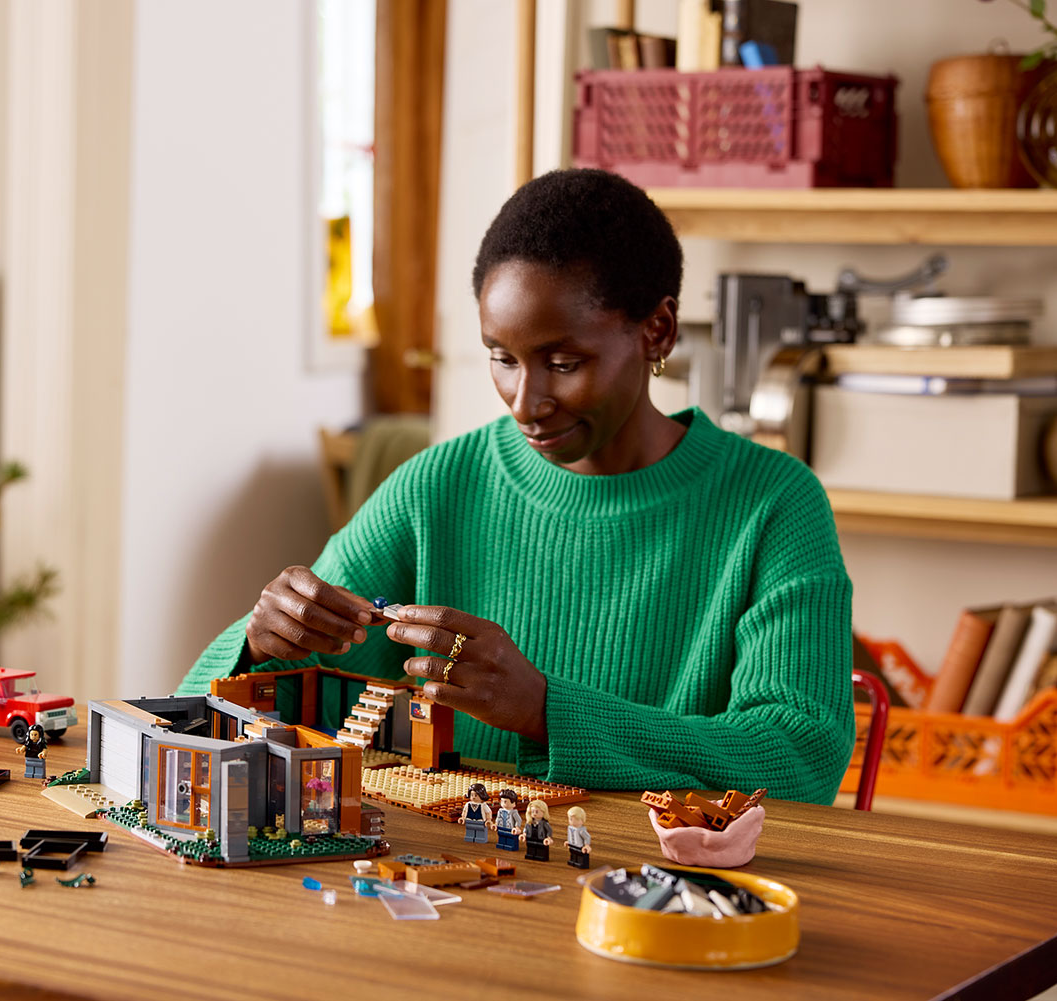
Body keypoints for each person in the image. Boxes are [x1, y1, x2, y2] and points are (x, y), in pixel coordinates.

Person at [177, 168, 855, 805]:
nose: (525, 402)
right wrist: (261, 643)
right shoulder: (435, 489)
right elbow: (218, 716)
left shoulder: (774, 503)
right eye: (501, 358)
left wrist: (545, 710)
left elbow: (802, 756)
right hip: (453, 886)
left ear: (658, 329)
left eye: (563, 362)